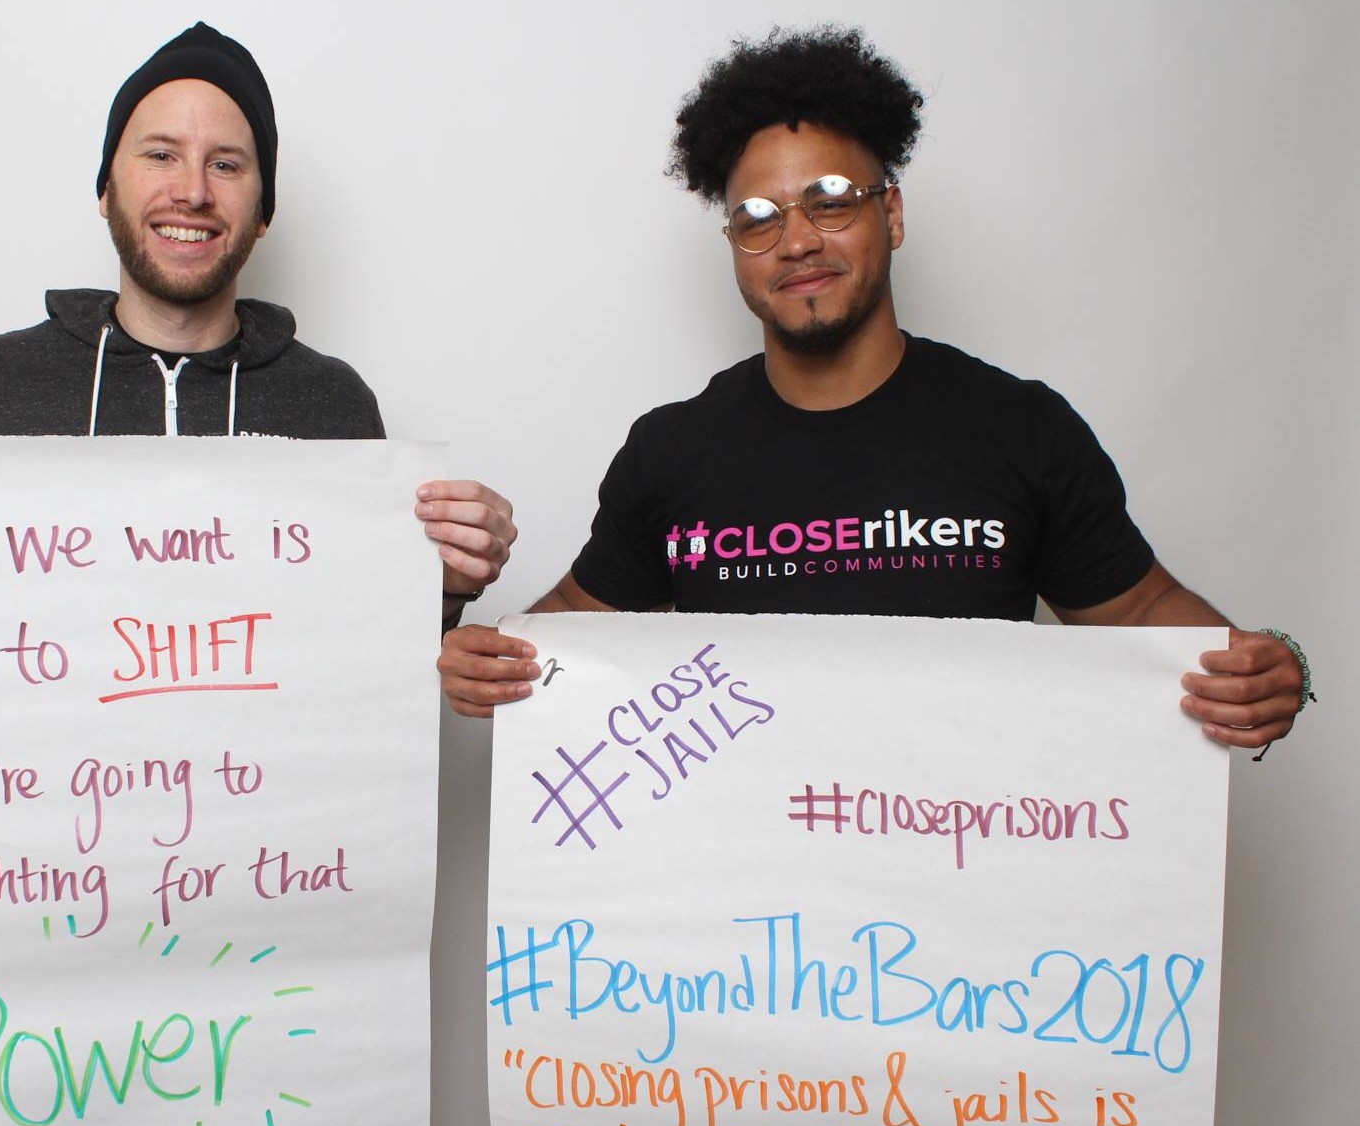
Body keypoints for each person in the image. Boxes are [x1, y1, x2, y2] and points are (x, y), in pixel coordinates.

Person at [438, 26, 1308, 751]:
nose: (797, 241)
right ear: (736, 247)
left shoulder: (1018, 429)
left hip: (965, 888)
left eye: (829, 201)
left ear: (890, 214)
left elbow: (1145, 608)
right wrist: (478, 649)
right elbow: (567, 634)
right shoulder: (673, 451)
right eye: (758, 218)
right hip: (735, 923)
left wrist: (1266, 668)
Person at [0, 22, 514, 627]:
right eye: (158, 155)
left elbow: (371, 660)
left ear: (263, 214)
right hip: (36, 857)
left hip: (259, 856)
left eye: (227, 164)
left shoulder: (333, 406)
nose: (191, 191)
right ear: (105, 190)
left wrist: (448, 582)